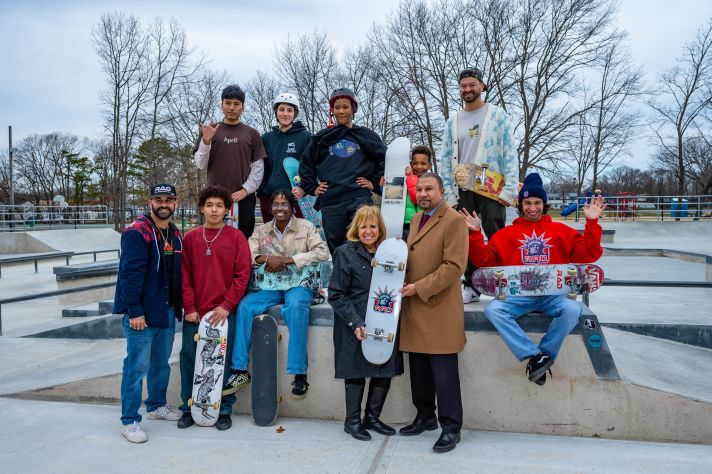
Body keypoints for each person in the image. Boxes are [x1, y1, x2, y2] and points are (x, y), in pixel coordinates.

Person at [461, 173, 606, 385]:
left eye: (537, 203)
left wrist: (592, 222)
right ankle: (534, 356)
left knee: (572, 310)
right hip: (519, 296)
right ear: (520, 205)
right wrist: (475, 234)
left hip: (553, 296)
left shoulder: (561, 231)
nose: (532, 208)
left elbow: (590, 255)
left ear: (544, 204)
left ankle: (542, 357)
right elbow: (483, 261)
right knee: (493, 310)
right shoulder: (506, 234)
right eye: (527, 203)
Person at [224, 189, 329, 399]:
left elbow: (322, 252)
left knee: (296, 307)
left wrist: (288, 260)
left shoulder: (306, 227)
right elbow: (248, 252)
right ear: (270, 207)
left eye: (284, 204)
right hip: (272, 286)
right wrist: (266, 259)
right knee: (245, 306)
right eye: (276, 204)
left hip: (299, 284)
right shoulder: (262, 231)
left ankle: (299, 373)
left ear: (291, 207)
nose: (279, 208)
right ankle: (239, 370)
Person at [398, 173, 469, 453]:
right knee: (419, 370)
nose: (424, 194)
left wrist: (420, 287)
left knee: (444, 374)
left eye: (430, 189)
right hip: (415, 304)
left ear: (442, 191)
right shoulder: (417, 219)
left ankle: (451, 428)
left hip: (437, 306)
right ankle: (425, 416)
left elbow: (454, 266)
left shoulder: (453, 220)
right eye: (420, 189)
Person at [437, 67, 519, 303]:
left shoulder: (497, 115)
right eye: (463, 86)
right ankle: (472, 284)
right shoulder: (453, 120)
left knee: (496, 233)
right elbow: (445, 158)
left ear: (482, 86)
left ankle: (501, 282)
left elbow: (509, 153)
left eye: (472, 85)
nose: (468, 89)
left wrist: (509, 189)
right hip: (463, 185)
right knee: (466, 235)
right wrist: (449, 195)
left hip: (490, 185)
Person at [114, 183, 183, 443]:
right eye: (159, 199)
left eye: (169, 200)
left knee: (160, 364)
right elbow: (129, 275)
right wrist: (134, 312)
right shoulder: (137, 232)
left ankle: (156, 405)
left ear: (175, 203)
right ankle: (129, 420)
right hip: (141, 314)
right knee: (136, 366)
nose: (163, 204)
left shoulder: (174, 233)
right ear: (150, 202)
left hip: (165, 310)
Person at [178, 185, 252, 431]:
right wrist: (189, 307)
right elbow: (185, 275)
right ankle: (189, 408)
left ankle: (224, 408)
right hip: (195, 313)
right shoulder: (190, 238)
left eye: (219, 205)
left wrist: (226, 306)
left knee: (225, 362)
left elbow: (242, 275)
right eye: (209, 205)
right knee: (190, 359)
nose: (214, 209)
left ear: (226, 209)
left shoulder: (236, 237)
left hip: (224, 314)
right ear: (202, 208)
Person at [328, 205, 404, 441]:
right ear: (356, 229)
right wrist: (355, 322)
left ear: (379, 228)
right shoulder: (344, 252)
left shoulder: (387, 254)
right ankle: (352, 421)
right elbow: (336, 294)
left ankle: (372, 418)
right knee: (356, 371)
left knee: (383, 369)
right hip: (355, 321)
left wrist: (399, 249)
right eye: (363, 226)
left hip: (385, 320)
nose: (368, 231)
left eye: (373, 226)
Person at [300, 87, 386, 253]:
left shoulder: (366, 135)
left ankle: (363, 279)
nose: (341, 111)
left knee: (363, 244)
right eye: (337, 107)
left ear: (353, 108)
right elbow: (306, 163)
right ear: (332, 110)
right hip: (331, 202)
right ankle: (342, 278)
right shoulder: (322, 138)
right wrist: (312, 187)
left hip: (358, 199)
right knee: (337, 248)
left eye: (345, 107)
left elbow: (383, 159)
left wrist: (374, 182)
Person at [193, 84, 267, 238]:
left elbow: (258, 168)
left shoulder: (252, 134)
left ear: (243, 107)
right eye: (227, 103)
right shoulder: (210, 130)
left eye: (236, 104)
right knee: (214, 239)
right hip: (214, 199)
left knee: (242, 239)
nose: (231, 108)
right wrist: (206, 142)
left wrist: (245, 190)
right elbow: (200, 164)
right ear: (221, 105)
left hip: (243, 198)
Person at [258, 92, 310, 221]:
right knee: (273, 238)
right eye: (281, 109)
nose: (285, 114)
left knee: (297, 238)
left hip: (296, 198)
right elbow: (260, 169)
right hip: (270, 197)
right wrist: (262, 193)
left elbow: (312, 167)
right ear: (276, 112)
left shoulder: (305, 137)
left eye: (289, 110)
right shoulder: (266, 138)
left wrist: (304, 188)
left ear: (295, 114)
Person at [402, 145, 433, 241]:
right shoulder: (405, 179)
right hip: (405, 225)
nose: (419, 167)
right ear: (411, 164)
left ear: (430, 165)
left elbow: (417, 198)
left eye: (423, 163)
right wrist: (384, 186)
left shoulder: (431, 181)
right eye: (415, 163)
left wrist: (411, 176)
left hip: (424, 223)